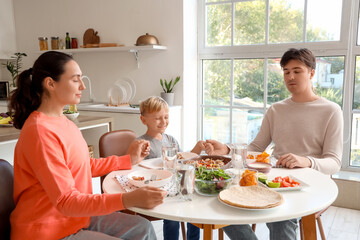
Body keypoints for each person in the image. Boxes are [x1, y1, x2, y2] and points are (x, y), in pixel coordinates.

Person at [9, 51, 167, 240]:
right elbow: (66, 200)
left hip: (74, 218)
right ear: (50, 83)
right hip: (47, 231)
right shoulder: (40, 132)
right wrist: (127, 200)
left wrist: (128, 160)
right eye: (76, 80)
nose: (82, 86)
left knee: (142, 228)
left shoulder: (64, 122)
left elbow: (83, 166)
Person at [203, 48, 343, 240]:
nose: (290, 76)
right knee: (222, 201)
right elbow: (255, 148)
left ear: (311, 73)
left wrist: (306, 161)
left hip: (311, 184)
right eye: (286, 72)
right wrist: (228, 150)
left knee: (280, 217)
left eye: (297, 70)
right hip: (275, 180)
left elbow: (334, 161)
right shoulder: (276, 110)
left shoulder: (331, 110)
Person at [137, 96, 204, 240]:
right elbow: (137, 169)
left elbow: (182, 161)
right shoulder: (141, 143)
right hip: (158, 189)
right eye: (157, 118)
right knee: (172, 219)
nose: (163, 122)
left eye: (166, 117)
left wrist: (196, 150)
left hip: (176, 186)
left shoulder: (171, 140)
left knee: (194, 213)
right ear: (144, 120)